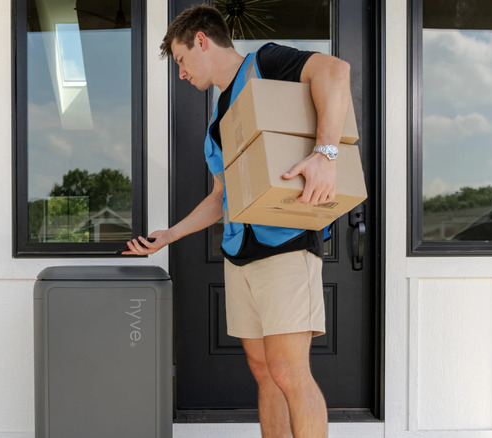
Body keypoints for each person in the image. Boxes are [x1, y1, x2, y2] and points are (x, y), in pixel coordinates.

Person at [123, 4, 351, 437]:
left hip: (285, 245)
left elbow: (336, 71)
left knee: (289, 371)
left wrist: (325, 153)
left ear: (202, 41)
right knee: (264, 371)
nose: (182, 73)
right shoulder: (216, 120)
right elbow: (220, 198)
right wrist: (169, 235)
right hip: (240, 256)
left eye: (181, 60)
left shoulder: (265, 64)